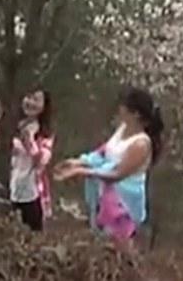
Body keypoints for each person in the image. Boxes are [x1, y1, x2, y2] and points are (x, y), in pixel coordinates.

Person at [54, 85, 164, 252]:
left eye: (124, 105)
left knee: (120, 249)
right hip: (104, 199)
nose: (120, 108)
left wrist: (82, 172)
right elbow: (104, 152)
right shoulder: (122, 129)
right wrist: (78, 162)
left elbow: (118, 173)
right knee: (101, 246)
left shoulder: (141, 144)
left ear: (135, 113)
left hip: (123, 204)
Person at [0, 90, 55, 231]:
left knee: (32, 235)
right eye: (28, 97)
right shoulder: (8, 124)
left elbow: (41, 161)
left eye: (36, 99)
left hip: (31, 193)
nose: (31, 103)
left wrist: (29, 142)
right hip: (4, 189)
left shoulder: (44, 133)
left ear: (44, 105)